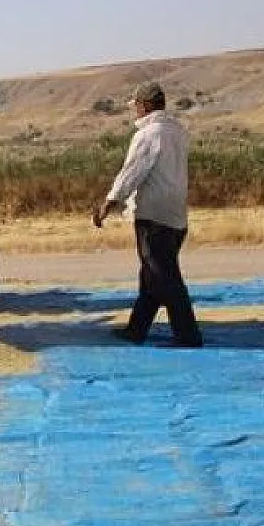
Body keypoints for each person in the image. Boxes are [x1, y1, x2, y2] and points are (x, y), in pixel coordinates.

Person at [93, 81, 204, 347]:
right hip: (175, 213)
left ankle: (188, 335)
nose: (134, 111)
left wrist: (110, 202)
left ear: (145, 105)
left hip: (154, 215)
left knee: (164, 276)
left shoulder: (148, 134)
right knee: (152, 275)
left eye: (136, 106)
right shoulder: (177, 131)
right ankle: (136, 329)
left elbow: (132, 172)